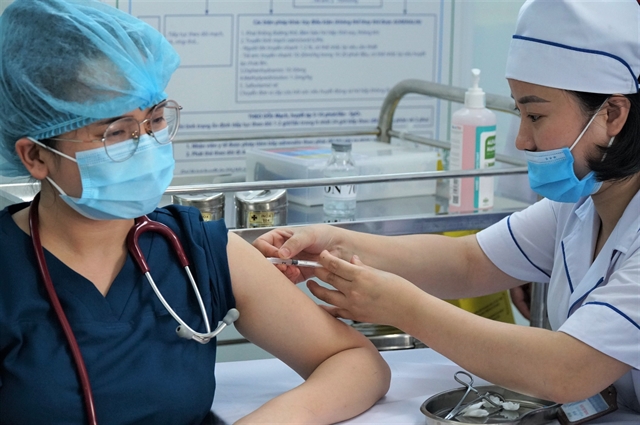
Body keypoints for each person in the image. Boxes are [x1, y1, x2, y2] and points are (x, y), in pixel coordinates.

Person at [0, 1, 390, 424]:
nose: (145, 144)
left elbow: (355, 361)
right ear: (36, 156)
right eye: (116, 132)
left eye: (153, 120)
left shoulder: (198, 249)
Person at [254, 0, 640, 415]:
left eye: (536, 115)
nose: (522, 141)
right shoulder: (582, 204)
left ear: (613, 114)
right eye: (519, 114)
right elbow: (468, 261)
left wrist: (404, 308)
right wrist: (332, 244)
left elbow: (568, 369)